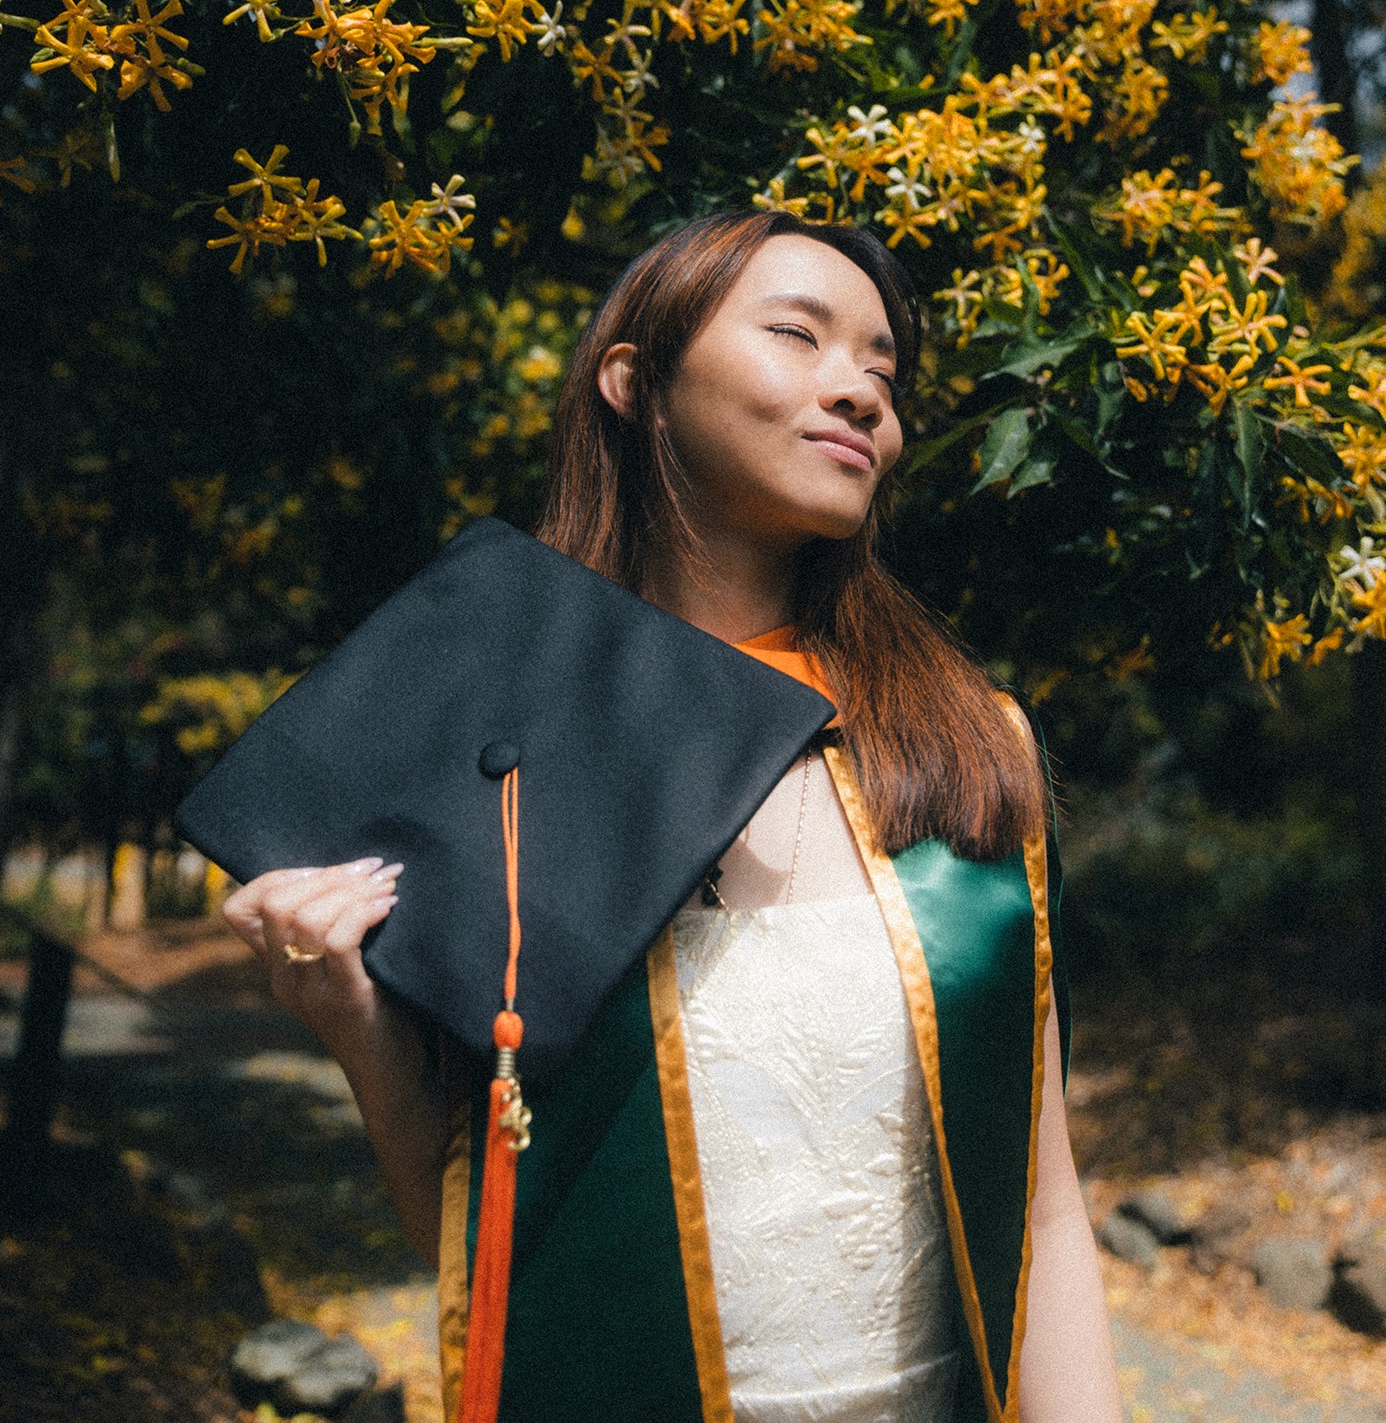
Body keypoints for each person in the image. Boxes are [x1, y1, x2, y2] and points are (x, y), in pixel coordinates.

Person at [222, 211, 1123, 1423]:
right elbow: (497, 1249)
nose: (859, 391)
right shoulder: (499, 756)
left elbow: (1041, 1211)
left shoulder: (965, 744)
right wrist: (357, 1027)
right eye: (797, 335)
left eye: (882, 372)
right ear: (633, 382)